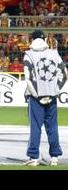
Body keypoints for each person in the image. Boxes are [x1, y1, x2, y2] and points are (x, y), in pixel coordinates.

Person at [23, 30, 67, 166]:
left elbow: (28, 78)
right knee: (52, 127)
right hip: (52, 97)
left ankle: (34, 157)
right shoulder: (54, 54)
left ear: (32, 39)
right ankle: (54, 157)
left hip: (36, 98)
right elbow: (63, 75)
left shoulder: (28, 55)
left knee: (35, 127)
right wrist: (54, 92)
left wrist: (37, 95)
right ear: (44, 39)